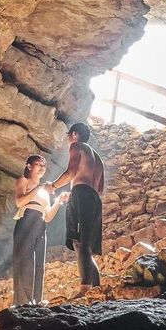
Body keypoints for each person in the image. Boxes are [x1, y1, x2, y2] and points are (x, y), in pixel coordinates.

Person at [45, 122, 104, 296]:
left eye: (68, 136)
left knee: (79, 242)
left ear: (74, 135)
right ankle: (96, 288)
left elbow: (71, 173)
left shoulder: (77, 147)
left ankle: (84, 288)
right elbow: (100, 188)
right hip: (94, 198)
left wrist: (53, 186)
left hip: (82, 194)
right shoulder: (98, 158)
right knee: (87, 245)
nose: (67, 140)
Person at [13, 154, 68, 306]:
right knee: (26, 260)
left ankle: (36, 299)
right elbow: (19, 202)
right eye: (38, 164)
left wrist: (58, 200)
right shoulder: (23, 181)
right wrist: (37, 188)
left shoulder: (44, 190)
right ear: (29, 166)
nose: (42, 168)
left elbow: (48, 216)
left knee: (39, 262)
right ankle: (23, 302)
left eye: (44, 166)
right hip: (26, 220)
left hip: (40, 222)